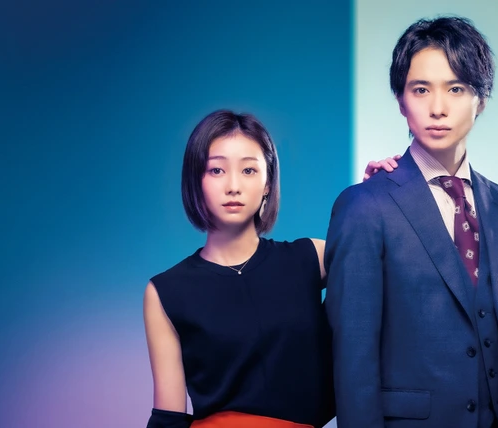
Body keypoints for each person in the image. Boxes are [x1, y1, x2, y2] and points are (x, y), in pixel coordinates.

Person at [324, 16, 498, 428]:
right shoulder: (364, 206)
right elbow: (353, 362)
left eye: (456, 88)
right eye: (421, 89)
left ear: (480, 100)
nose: (438, 108)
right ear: (401, 101)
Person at [143, 109, 398, 428]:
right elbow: (168, 417)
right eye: (217, 170)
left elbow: (391, 263)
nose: (233, 186)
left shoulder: (310, 258)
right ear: (197, 180)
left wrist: (373, 197)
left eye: (249, 170)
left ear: (267, 182)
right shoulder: (166, 291)